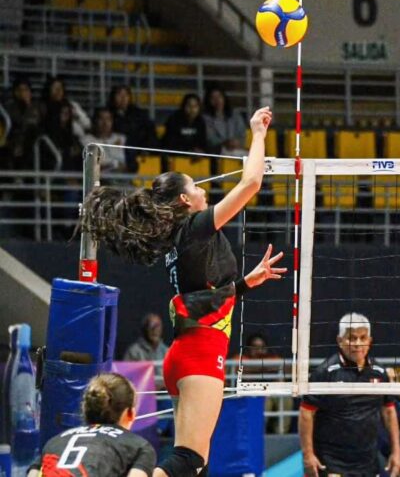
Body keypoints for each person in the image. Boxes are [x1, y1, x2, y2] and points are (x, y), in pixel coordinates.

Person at [81, 106, 286, 477]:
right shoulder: (193, 228)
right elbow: (252, 183)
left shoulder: (180, 239)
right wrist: (256, 133)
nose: (202, 189)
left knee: (197, 465)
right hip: (200, 353)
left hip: (187, 353)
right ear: (184, 201)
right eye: (195, 186)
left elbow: (202, 298)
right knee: (189, 460)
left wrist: (243, 284)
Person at [299, 313, 400, 477]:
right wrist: (308, 455)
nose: (358, 344)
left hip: (367, 463)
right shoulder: (324, 373)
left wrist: (396, 453)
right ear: (339, 341)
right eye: (352, 338)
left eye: (363, 338)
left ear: (369, 341)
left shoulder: (379, 372)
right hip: (331, 462)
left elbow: (389, 412)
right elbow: (306, 413)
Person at [26, 373, 156, 477]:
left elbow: (33, 473)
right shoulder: (139, 446)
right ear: (130, 414)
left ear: (86, 410)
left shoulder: (54, 442)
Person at [108, 85, 158, 170]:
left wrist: (146, 148)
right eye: (119, 95)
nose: (123, 98)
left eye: (126, 95)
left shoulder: (140, 115)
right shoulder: (107, 114)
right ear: (113, 97)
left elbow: (150, 133)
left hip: (137, 149)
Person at [1, 77, 40, 170]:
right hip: (11, 146)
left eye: (26, 90)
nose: (23, 93)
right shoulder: (8, 109)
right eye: (19, 90)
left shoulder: (38, 108)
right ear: (15, 92)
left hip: (31, 146)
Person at [38, 76, 90, 142]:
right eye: (55, 87)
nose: (58, 90)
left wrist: (75, 115)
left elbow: (87, 124)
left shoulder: (71, 106)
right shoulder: (42, 107)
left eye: (60, 87)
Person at [80, 107, 128, 173]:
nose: (105, 123)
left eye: (108, 119)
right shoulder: (86, 140)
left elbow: (128, 164)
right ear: (95, 121)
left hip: (122, 178)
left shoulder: (121, 139)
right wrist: (112, 166)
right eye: (101, 119)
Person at [203, 87, 247, 156]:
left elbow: (242, 135)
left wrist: (236, 142)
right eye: (213, 98)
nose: (217, 100)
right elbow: (210, 139)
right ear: (208, 101)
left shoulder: (235, 114)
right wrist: (226, 143)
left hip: (237, 149)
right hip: (218, 151)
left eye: (219, 96)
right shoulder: (206, 118)